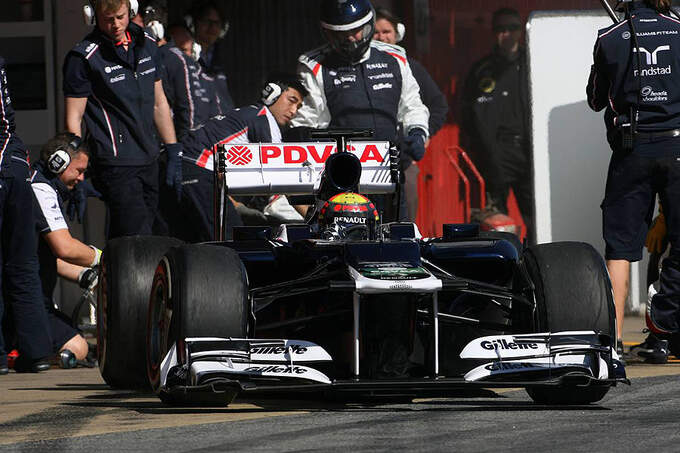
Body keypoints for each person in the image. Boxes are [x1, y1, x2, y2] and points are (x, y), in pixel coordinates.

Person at [586, 0, 680, 360]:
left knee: (620, 249)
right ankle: (664, 323)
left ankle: (611, 344)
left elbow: (596, 98)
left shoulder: (609, 36)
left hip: (632, 150)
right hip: (677, 147)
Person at [291, 0, 430, 222]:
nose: (350, 38)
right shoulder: (313, 65)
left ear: (368, 25)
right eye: (340, 34)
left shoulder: (395, 57)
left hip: (390, 170)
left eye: (356, 31)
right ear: (327, 33)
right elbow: (305, 123)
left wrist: (417, 133)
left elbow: (412, 105)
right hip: (342, 177)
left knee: (397, 239)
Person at [63, 0, 183, 239]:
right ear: (93, 16)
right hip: (116, 164)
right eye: (108, 19)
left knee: (157, 235)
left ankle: (114, 275)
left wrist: (173, 151)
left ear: (131, 11)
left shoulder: (148, 44)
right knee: (138, 239)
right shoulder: (83, 57)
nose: (115, 25)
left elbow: (159, 102)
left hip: (150, 157)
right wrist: (76, 169)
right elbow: (73, 118)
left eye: (120, 17)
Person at [169, 75, 308, 242]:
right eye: (291, 100)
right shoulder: (264, 119)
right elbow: (283, 177)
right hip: (196, 170)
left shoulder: (248, 114)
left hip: (183, 169)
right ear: (272, 94)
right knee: (229, 242)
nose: (294, 111)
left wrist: (235, 205)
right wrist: (312, 215)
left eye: (298, 107)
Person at [462, 8, 533, 242]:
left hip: (529, 154)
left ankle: (537, 264)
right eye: (501, 29)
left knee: (537, 217)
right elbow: (468, 117)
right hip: (494, 157)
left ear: (520, 31)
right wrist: (483, 151)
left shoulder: (532, 64)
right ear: (494, 33)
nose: (507, 34)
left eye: (512, 28)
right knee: (497, 224)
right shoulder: (481, 70)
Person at [0, 56, 53, 374]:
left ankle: (26, 351)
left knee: (20, 263)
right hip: (14, 164)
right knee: (22, 264)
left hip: (8, 168)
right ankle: (36, 352)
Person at [373, 6, 448, 221]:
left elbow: (439, 106)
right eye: (377, 32)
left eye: (386, 32)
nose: (381, 37)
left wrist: (421, 134)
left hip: (404, 163)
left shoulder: (411, 67)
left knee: (404, 225)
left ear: (398, 34)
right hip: (370, 164)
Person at [30, 133, 100, 362]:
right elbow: (64, 248)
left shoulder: (40, 184)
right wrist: (100, 257)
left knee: (77, 339)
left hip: (34, 299)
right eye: (79, 171)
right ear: (58, 162)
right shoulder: (41, 188)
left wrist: (84, 275)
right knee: (78, 347)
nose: (81, 179)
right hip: (26, 301)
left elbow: (47, 257)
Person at [186, 0, 234, 111]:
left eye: (216, 23)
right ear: (193, 24)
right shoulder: (185, 55)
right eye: (206, 21)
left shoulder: (222, 56)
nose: (212, 27)